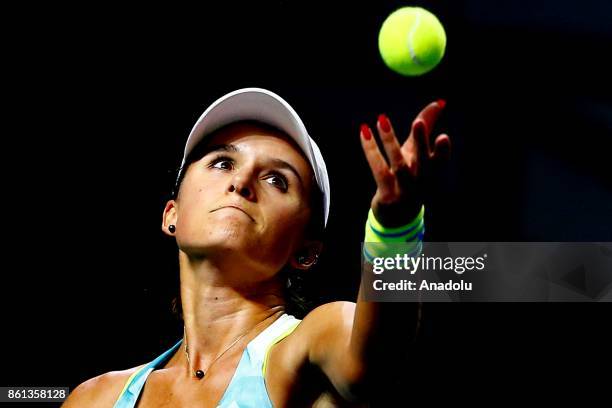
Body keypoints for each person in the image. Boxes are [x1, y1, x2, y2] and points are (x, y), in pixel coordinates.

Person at [62, 88, 451, 407]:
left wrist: (396, 227)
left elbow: (375, 359)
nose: (242, 181)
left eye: (277, 181)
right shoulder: (93, 399)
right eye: (221, 163)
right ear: (171, 214)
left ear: (306, 252)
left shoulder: (312, 344)